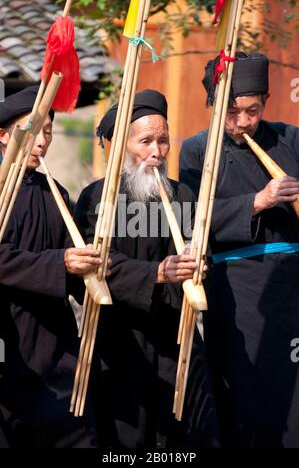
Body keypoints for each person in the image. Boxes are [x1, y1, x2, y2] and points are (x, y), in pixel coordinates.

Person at [74, 89, 220, 449]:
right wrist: (158, 273)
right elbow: (97, 267)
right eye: (146, 141)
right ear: (123, 144)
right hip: (117, 343)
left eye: (164, 140)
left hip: (174, 340)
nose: (157, 152)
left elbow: (199, 257)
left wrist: (197, 263)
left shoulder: (181, 195)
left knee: (185, 437)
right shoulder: (97, 198)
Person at [179, 52, 299, 447]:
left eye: (252, 109)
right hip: (232, 289)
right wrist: (258, 201)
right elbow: (191, 219)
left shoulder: (289, 138)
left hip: (290, 288)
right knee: (241, 393)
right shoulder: (197, 150)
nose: (243, 122)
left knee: (292, 393)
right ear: (212, 107)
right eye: (232, 111)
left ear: (265, 101)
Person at [0, 86, 103, 448]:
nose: (42, 141)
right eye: (32, 130)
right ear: (3, 136)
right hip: (9, 340)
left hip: (54, 345)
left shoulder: (55, 192)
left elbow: (70, 265)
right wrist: (58, 263)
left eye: (48, 131)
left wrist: (86, 266)